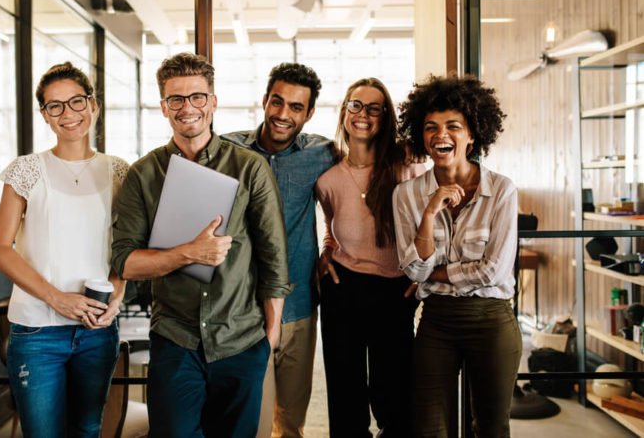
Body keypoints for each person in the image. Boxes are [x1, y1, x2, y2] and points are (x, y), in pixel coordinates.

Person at [110, 52, 291, 438]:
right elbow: (125, 262)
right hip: (176, 340)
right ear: (163, 107)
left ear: (212, 101)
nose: (187, 107)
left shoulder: (249, 168)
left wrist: (268, 340)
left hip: (241, 340)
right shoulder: (143, 174)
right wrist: (189, 253)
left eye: (197, 97)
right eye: (176, 99)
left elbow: (274, 261)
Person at [0, 62, 128, 438]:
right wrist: (57, 299)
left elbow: (127, 248)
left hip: (96, 331)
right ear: (45, 116)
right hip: (37, 332)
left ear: (93, 106)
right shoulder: (26, 170)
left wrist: (118, 294)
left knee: (87, 430)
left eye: (76, 102)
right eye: (55, 106)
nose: (69, 114)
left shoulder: (118, 171)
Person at [393, 74, 522, 438]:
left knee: (492, 427)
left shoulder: (501, 190)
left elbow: (494, 272)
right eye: (431, 127)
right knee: (429, 428)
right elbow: (413, 269)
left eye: (453, 126)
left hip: (492, 319)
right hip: (437, 322)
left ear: (472, 134)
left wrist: (434, 272)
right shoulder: (407, 195)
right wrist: (430, 211)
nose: (440, 135)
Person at [223, 62, 336, 438]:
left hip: (299, 304)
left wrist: (333, 244)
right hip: (242, 308)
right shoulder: (227, 150)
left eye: (296, 107)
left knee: (289, 421)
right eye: (277, 102)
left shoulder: (323, 153)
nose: (283, 114)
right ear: (265, 100)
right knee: (246, 418)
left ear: (310, 112)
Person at [315, 77, 423, 438]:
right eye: (356, 105)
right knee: (345, 395)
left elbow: (430, 221)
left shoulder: (407, 163)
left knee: (395, 396)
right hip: (343, 287)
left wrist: (425, 272)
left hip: (396, 291)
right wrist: (327, 251)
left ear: (385, 116)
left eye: (374, 108)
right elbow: (332, 225)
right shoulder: (328, 178)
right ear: (345, 112)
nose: (363, 114)